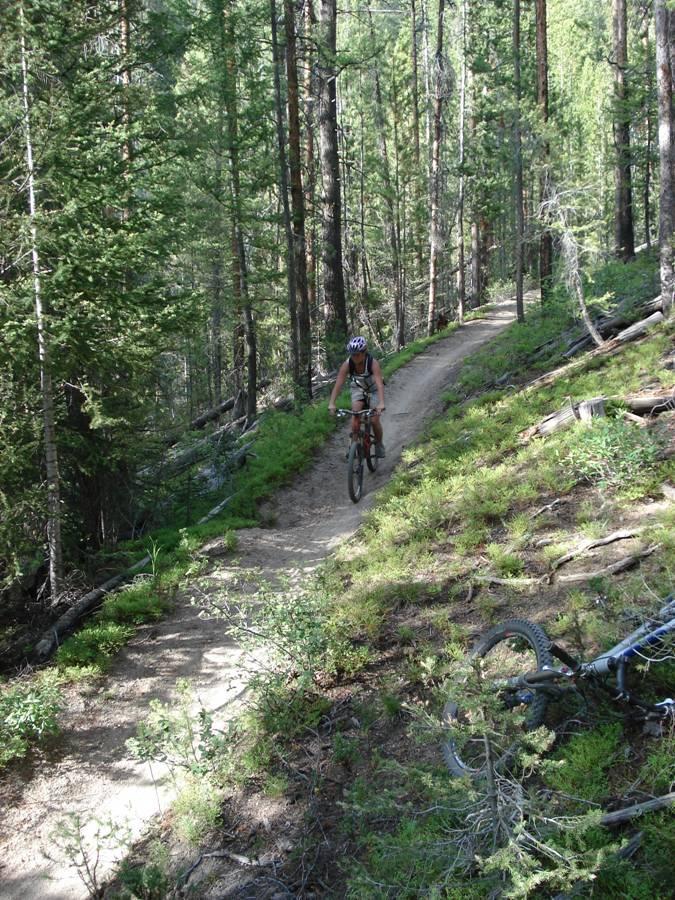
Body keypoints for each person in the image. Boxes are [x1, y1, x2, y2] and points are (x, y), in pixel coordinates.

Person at [328, 336, 386, 457]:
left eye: (358, 354)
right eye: (352, 354)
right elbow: (338, 384)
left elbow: (380, 384)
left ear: (364, 352)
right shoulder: (347, 364)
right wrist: (332, 403)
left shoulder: (372, 363)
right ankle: (353, 446)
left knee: (375, 420)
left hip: (374, 389)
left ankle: (379, 444)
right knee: (355, 415)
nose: (355, 357)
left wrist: (381, 403)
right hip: (358, 389)